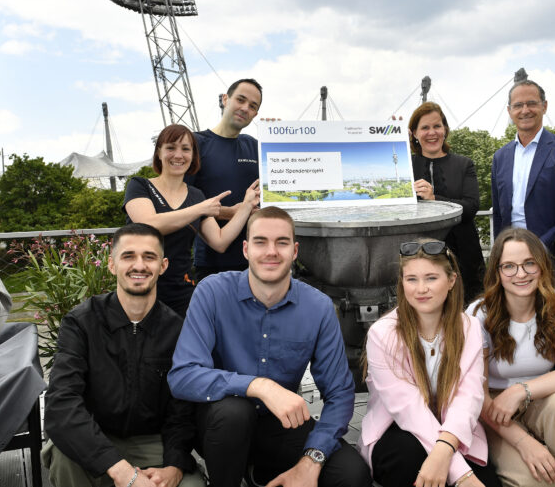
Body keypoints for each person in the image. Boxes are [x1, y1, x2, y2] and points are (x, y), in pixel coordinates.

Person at [167, 206, 372, 487]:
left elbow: (339, 393)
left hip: (277, 425)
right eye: (260, 241)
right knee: (235, 413)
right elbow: (183, 375)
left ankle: (259, 474)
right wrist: (260, 386)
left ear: (295, 251)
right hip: (219, 425)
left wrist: (312, 459)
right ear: (246, 249)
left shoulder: (318, 306)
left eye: (282, 242)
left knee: (352, 475)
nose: (271, 251)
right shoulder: (212, 292)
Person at [41, 223, 203, 487]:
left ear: (162, 266)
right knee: (63, 455)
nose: (139, 266)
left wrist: (174, 464)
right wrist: (121, 471)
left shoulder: (178, 330)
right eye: (128, 256)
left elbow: (182, 411)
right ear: (112, 264)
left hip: (153, 443)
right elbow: (61, 403)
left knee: (192, 485)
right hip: (95, 437)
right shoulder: (81, 323)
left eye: (148, 257)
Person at [358, 238, 501, 487]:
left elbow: (468, 397)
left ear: (451, 281)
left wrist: (445, 451)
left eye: (431, 278)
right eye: (411, 279)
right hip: (398, 434)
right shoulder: (383, 334)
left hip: (453, 431)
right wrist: (462, 475)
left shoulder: (469, 328)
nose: (421, 288)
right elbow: (408, 409)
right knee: (411, 457)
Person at [466, 228, 555, 487]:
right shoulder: (479, 314)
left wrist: (519, 391)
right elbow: (477, 396)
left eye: (528, 264)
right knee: (545, 481)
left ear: (541, 266)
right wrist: (524, 443)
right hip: (492, 412)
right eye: (509, 266)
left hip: (541, 399)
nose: (520, 274)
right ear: (497, 273)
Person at [123, 123, 259, 316]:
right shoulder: (139, 185)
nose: (178, 155)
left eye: (186, 149)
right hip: (140, 285)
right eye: (171, 148)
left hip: (182, 291)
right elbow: (147, 225)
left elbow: (220, 241)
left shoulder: (196, 195)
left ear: (193, 156)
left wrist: (245, 207)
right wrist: (199, 209)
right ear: (159, 153)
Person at [187, 78, 263, 279]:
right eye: (240, 99)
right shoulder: (196, 143)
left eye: (253, 106)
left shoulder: (255, 146)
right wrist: (230, 212)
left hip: (256, 258)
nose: (245, 108)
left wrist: (276, 139)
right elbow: (182, 203)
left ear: (255, 114)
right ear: (225, 99)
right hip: (212, 262)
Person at [410, 102, 485, 303]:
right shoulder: (405, 167)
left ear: (445, 130)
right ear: (414, 133)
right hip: (418, 257)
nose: (432, 133)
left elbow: (471, 207)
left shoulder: (464, 164)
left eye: (437, 126)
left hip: (464, 257)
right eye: (425, 128)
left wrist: (435, 200)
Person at [491, 80, 555, 257]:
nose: (525, 110)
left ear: (544, 106)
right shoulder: (500, 157)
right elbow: (499, 213)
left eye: (532, 103)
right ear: (509, 111)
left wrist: (539, 247)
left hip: (551, 254)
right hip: (510, 254)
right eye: (518, 105)